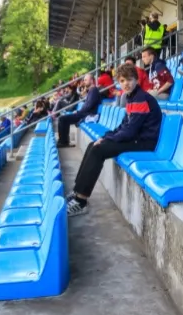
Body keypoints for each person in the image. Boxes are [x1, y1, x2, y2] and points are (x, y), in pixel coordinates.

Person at [67, 63, 162, 217]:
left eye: (130, 80)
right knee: (94, 144)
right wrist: (105, 137)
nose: (126, 84)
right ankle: (77, 191)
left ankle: (81, 201)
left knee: (98, 150)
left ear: (137, 80)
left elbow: (130, 131)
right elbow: (124, 125)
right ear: (118, 81)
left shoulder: (141, 99)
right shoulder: (131, 98)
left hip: (144, 143)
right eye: (123, 80)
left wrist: (106, 141)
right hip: (136, 138)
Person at [57, 75, 101, 147]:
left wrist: (78, 112)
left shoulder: (94, 91)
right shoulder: (91, 91)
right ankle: (63, 141)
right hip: (83, 114)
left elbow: (88, 106)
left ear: (92, 81)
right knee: (63, 119)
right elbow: (87, 105)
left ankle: (63, 142)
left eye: (86, 80)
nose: (84, 82)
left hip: (86, 115)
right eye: (84, 80)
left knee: (62, 119)